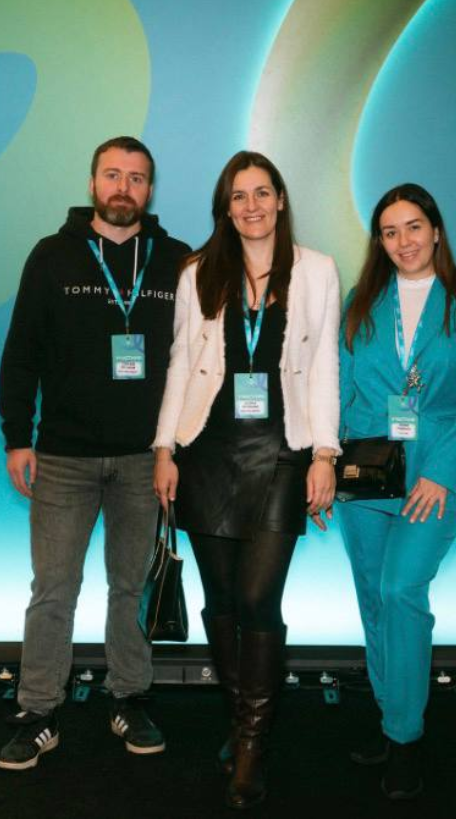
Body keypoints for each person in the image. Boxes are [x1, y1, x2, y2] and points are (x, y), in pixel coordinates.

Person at [152, 151, 341, 810]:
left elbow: (325, 366)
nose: (251, 205)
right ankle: (241, 719)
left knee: (259, 598)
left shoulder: (317, 271)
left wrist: (325, 453)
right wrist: (164, 447)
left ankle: (254, 742)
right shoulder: (199, 271)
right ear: (225, 208)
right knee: (223, 601)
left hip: (284, 453)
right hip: (208, 451)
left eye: (262, 193)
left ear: (281, 199)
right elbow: (180, 363)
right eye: (239, 196)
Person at [0, 136, 190, 771]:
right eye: (112, 174)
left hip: (144, 459)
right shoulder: (51, 256)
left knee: (130, 589)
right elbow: (22, 350)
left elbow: (197, 360)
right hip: (64, 457)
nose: (123, 187)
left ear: (150, 190)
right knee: (54, 589)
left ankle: (129, 698)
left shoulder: (178, 261)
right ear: (92, 184)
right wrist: (17, 436)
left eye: (136, 177)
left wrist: (178, 448)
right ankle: (38, 711)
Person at [336, 182, 456, 800]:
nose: (403, 241)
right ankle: (391, 719)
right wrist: (324, 464)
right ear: (379, 242)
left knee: (400, 591)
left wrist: (442, 474)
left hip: (434, 474)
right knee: (373, 602)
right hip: (366, 472)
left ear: (435, 230)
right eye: (390, 232)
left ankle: (405, 737)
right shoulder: (361, 301)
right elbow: (340, 386)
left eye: (413, 227)